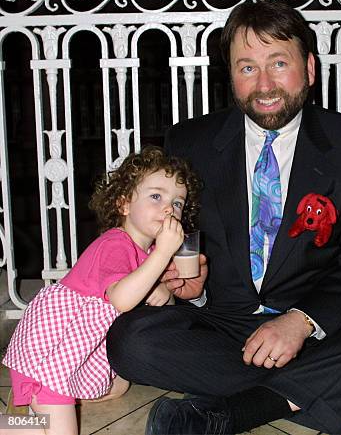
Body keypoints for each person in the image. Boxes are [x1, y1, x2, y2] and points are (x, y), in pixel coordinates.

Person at [105, 0, 341, 435]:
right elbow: (172, 236)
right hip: (223, 320)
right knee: (129, 342)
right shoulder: (189, 142)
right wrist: (185, 290)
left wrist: (300, 321)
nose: (264, 84)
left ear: (308, 69)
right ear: (231, 77)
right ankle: (337, 385)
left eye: (278, 63)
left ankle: (241, 411)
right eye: (247, 67)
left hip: (316, 321)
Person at [1, 146, 201, 435]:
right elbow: (121, 298)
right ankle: (13, 425)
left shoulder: (154, 252)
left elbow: (154, 308)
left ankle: (49, 407)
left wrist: (165, 292)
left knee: (117, 386)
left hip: (80, 348)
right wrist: (164, 255)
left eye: (178, 202)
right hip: (51, 348)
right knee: (57, 431)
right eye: (156, 196)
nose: (169, 208)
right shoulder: (115, 244)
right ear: (124, 205)